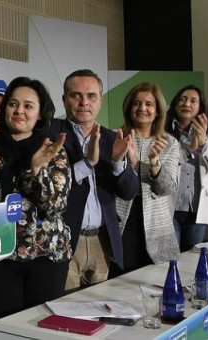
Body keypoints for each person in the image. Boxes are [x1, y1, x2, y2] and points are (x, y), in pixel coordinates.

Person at [0, 76, 72, 339]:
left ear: (40, 112)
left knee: (43, 332)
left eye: (28, 105)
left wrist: (37, 169)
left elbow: (54, 206)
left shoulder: (53, 150)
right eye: (13, 103)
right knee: (2, 330)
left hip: (46, 258)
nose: (19, 111)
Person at [49, 69, 137, 291]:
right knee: (66, 312)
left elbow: (128, 191)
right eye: (75, 95)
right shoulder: (50, 136)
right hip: (64, 240)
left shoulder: (111, 138)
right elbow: (48, 189)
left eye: (91, 96)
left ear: (100, 101)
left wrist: (118, 162)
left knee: (99, 309)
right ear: (64, 100)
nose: (83, 102)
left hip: (102, 241)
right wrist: (86, 163)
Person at [113, 82, 180, 276]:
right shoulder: (116, 138)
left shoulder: (169, 142)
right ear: (129, 108)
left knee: (156, 286)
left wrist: (153, 163)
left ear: (157, 110)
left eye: (149, 104)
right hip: (122, 224)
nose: (142, 108)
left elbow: (166, 188)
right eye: (137, 103)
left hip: (156, 227)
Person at [165, 85, 208, 252]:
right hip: (170, 207)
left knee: (192, 258)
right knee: (170, 258)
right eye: (182, 99)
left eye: (193, 101)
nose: (187, 104)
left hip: (198, 209)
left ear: (200, 107)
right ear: (175, 104)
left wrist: (204, 144)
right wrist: (189, 148)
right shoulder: (164, 129)